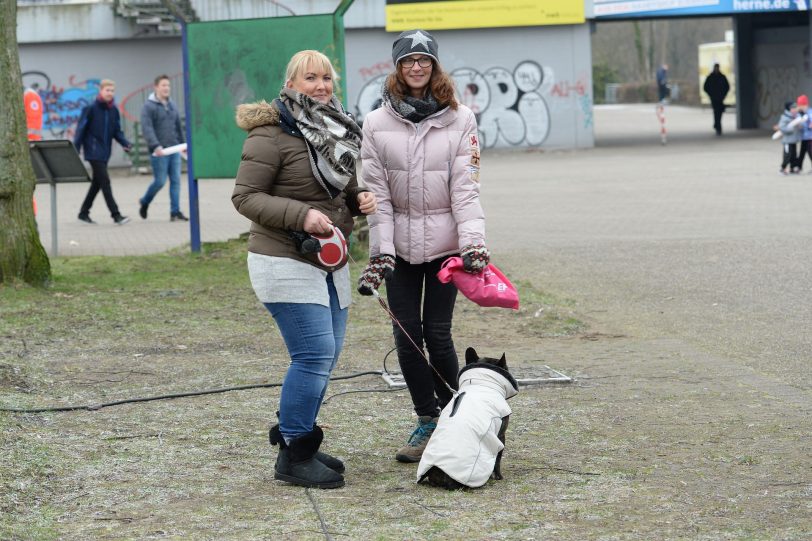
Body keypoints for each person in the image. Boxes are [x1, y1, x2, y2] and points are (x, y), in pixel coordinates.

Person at [231, 50, 377, 489]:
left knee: (326, 356)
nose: (321, 85)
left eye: (326, 78)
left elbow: (342, 189)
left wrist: (359, 200)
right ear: (291, 83)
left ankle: (300, 439)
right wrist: (301, 215)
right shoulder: (269, 133)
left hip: (329, 261)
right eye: (310, 78)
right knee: (312, 355)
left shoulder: (335, 127)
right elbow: (245, 197)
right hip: (282, 258)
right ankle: (295, 454)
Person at [357, 29, 487, 464]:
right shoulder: (375, 123)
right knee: (407, 335)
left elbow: (466, 190)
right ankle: (428, 420)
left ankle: (457, 415)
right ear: (397, 67)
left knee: (438, 333)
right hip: (400, 249)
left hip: (447, 247)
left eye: (424, 60)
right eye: (409, 60)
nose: (417, 67)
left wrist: (473, 245)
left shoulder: (459, 118)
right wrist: (382, 253)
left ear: (434, 66)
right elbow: (376, 195)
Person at [73, 79, 132, 225]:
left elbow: (117, 131)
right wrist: (75, 149)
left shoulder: (113, 111)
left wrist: (125, 143)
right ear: (101, 90)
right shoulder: (91, 108)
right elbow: (81, 130)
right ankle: (116, 215)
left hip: (105, 152)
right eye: (107, 90)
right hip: (93, 151)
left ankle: (83, 212)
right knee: (105, 181)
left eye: (112, 91)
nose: (110, 93)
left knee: (97, 184)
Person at [138, 74, 187, 222]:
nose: (166, 88)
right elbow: (147, 129)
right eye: (163, 85)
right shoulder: (148, 106)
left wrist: (183, 145)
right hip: (159, 151)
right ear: (156, 87)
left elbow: (178, 126)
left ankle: (175, 211)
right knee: (160, 181)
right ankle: (145, 201)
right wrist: (155, 145)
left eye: (168, 85)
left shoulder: (172, 104)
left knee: (176, 181)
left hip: (174, 149)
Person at [703, 63, 730, 136]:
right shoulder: (710, 77)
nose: (716, 69)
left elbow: (727, 87)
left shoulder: (722, 77)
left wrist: (723, 95)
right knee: (716, 112)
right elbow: (705, 87)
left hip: (720, 98)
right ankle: (718, 126)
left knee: (719, 112)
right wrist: (710, 94)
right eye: (716, 68)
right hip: (714, 98)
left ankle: (717, 125)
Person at [777, 101, 802, 175]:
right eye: (792, 108)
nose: (795, 109)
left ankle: (792, 168)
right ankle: (782, 168)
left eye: (795, 107)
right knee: (787, 155)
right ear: (788, 109)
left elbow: (800, 125)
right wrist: (791, 128)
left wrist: (800, 126)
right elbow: (782, 127)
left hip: (794, 140)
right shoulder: (785, 117)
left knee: (794, 155)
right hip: (787, 141)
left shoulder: (797, 116)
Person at [796, 94, 812, 172]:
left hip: (810, 137)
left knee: (810, 152)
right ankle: (799, 167)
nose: (800, 107)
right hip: (804, 137)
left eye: (800, 105)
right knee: (802, 153)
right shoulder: (800, 114)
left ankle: (799, 167)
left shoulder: (810, 112)